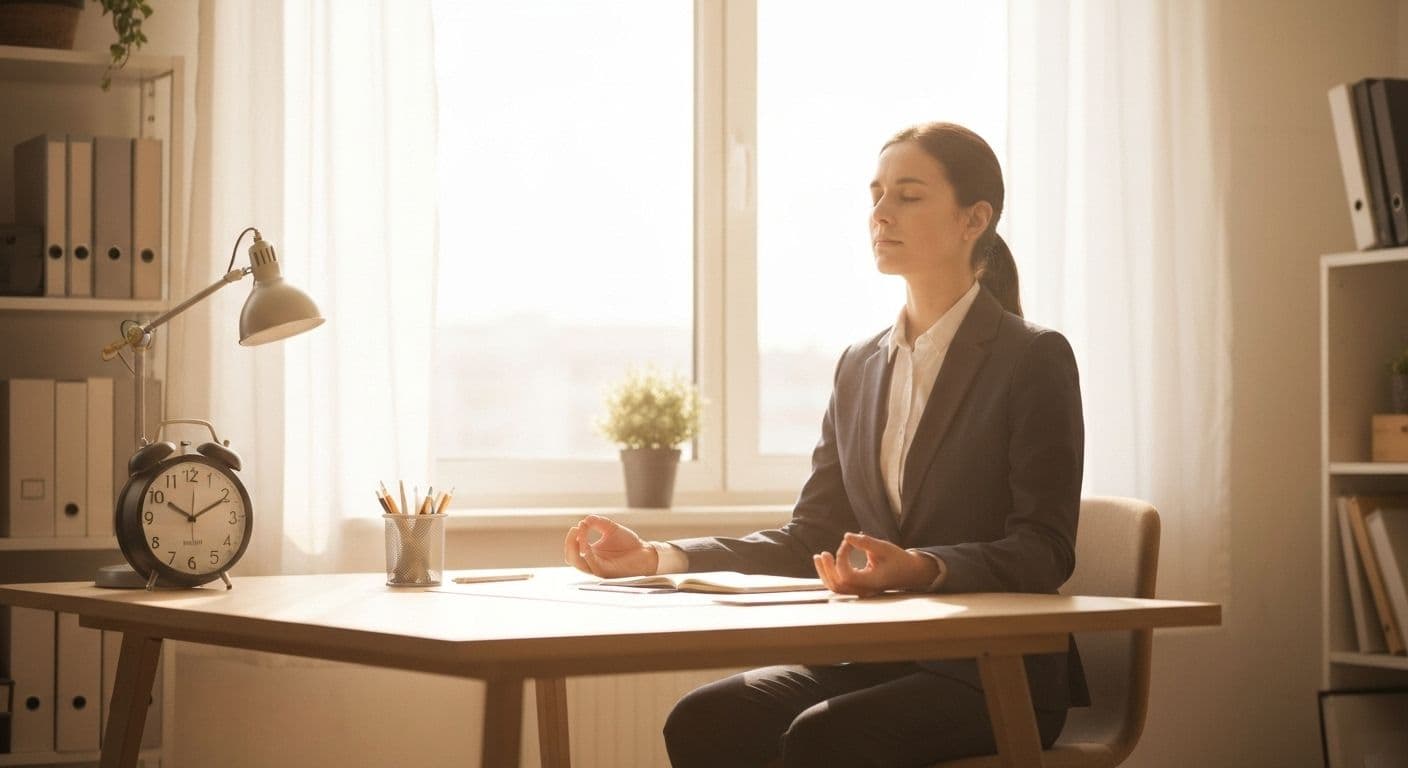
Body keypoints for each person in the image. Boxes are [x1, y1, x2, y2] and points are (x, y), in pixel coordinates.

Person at [563, 121, 1088, 767]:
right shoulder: (859, 364)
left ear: (973, 218)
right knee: (705, 720)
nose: (880, 213)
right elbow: (808, 534)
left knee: (825, 738)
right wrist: (657, 558)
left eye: (908, 195)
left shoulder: (1032, 357)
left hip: (992, 673)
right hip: (878, 658)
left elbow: (1045, 550)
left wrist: (920, 566)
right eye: (876, 193)